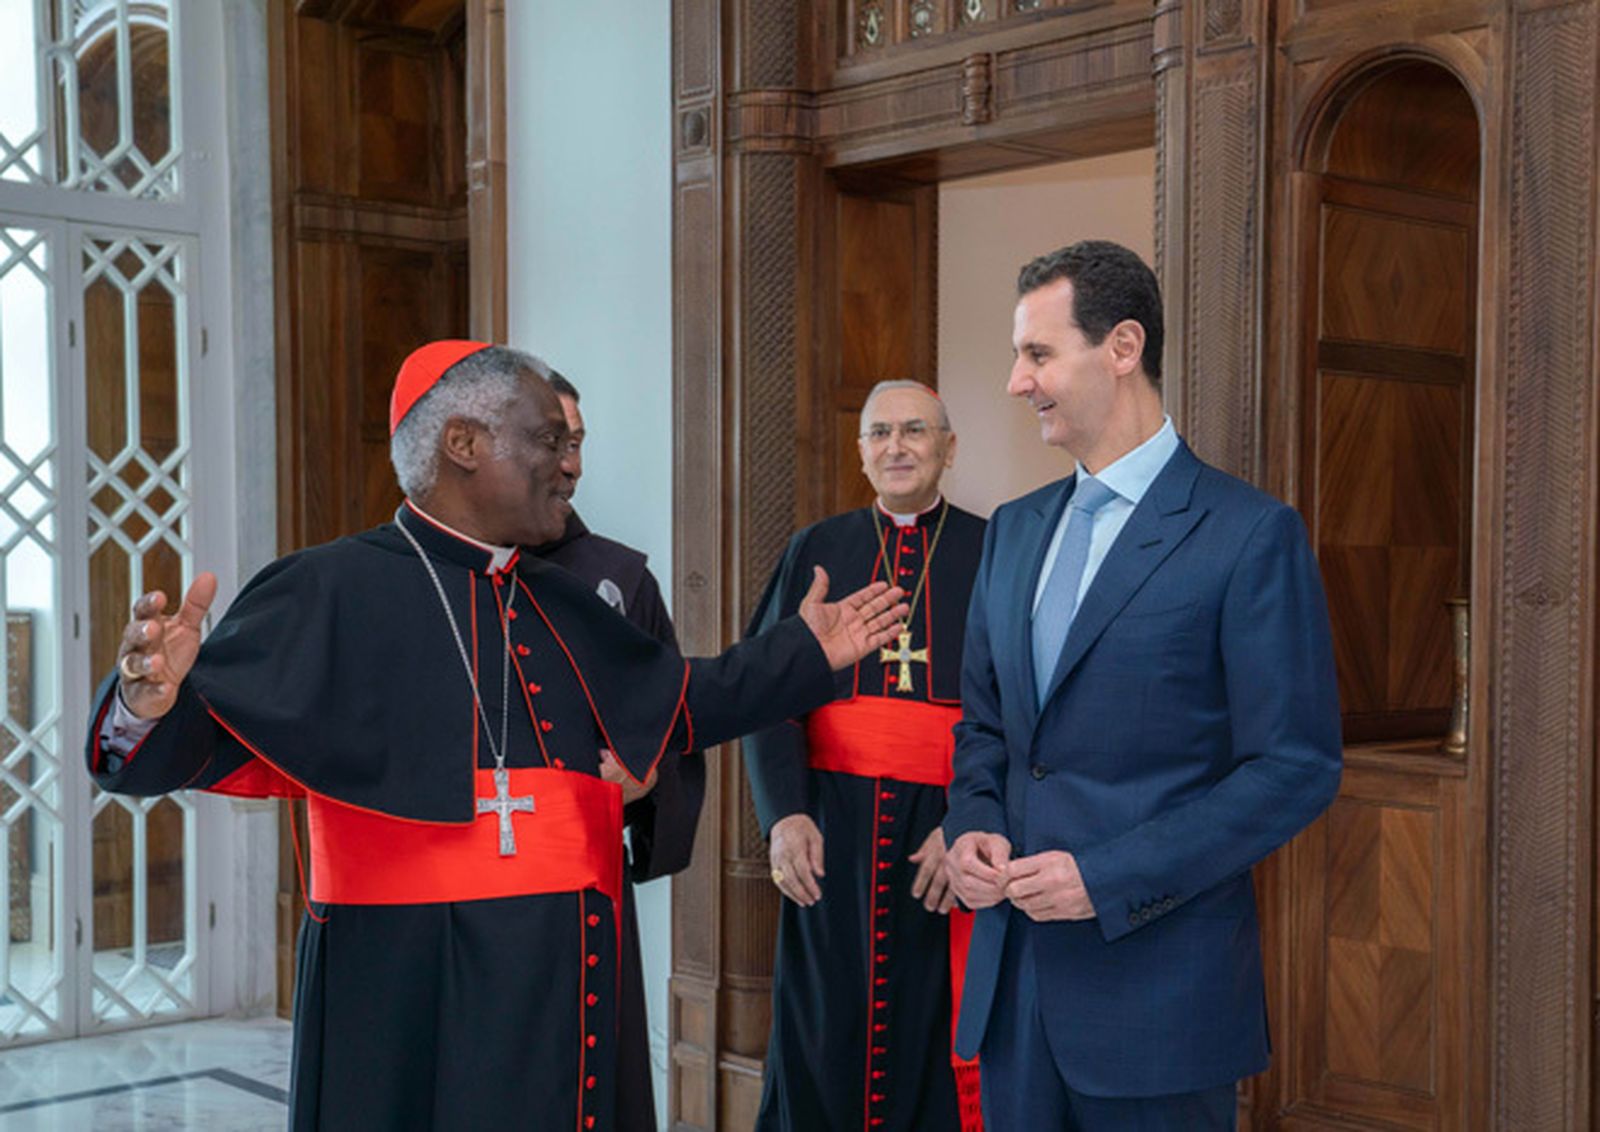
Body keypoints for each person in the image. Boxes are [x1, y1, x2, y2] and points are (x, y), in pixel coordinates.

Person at [86, 341, 907, 1132]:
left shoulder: (560, 596)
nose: (568, 463)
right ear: (464, 444)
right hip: (407, 986)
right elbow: (190, 747)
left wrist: (804, 652)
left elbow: (684, 700)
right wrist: (146, 700)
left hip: (563, 974)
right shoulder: (326, 587)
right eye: (548, 439)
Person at [943, 242, 1342, 1131]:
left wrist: (1106, 878)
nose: (1017, 381)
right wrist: (970, 825)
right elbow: (987, 731)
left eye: (1038, 355)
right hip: (1013, 1000)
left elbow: (1295, 768)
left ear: (1123, 347)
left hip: (1162, 1006)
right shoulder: (1013, 532)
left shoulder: (1249, 535)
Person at [745, 380, 988, 1132]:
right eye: (880, 433)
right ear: (861, 454)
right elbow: (766, 693)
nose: (896, 446)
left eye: (916, 431)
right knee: (825, 1027)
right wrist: (784, 815)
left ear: (949, 447)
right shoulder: (816, 549)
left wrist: (974, 818)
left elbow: (1022, 710)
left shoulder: (996, 548)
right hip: (831, 826)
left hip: (942, 833)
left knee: (930, 1023)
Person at [531, 370, 699, 1132]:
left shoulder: (618, 577)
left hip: (583, 889)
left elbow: (671, 717)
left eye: (578, 442)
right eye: (551, 440)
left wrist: (646, 776)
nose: (569, 461)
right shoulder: (425, 572)